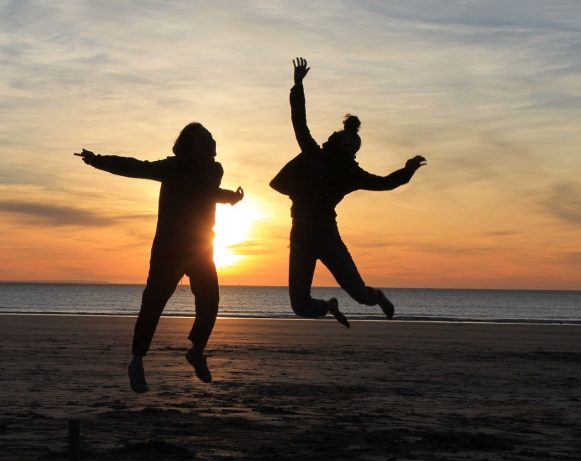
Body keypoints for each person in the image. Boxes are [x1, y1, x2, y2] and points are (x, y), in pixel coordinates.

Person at [75, 123, 243, 393]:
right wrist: (97, 161)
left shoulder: (215, 169)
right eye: (207, 139)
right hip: (169, 248)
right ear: (192, 145)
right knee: (153, 303)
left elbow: (205, 192)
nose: (213, 142)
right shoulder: (173, 167)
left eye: (213, 138)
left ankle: (196, 351)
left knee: (210, 300)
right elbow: (136, 167)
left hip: (201, 247)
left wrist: (230, 197)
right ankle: (137, 361)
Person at [270, 57, 426, 326]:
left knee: (361, 295)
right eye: (348, 142)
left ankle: (378, 297)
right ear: (338, 139)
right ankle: (327, 306)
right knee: (300, 305)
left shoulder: (351, 174)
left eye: (355, 146)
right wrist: (297, 85)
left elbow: (384, 183)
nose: (351, 148)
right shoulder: (313, 154)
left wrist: (408, 170)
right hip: (300, 236)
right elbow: (299, 120)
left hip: (328, 237)